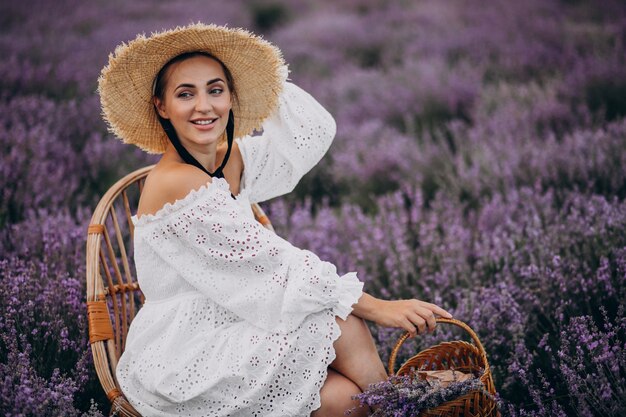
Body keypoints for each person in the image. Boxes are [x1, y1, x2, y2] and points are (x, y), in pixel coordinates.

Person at [98, 23, 452, 417]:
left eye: (216, 90)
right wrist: (377, 306)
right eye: (186, 94)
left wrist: (264, 78)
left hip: (235, 321)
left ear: (231, 97)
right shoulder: (176, 183)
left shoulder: (225, 159)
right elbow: (273, 266)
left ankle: (396, 402)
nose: (204, 106)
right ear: (161, 107)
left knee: (345, 401)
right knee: (340, 318)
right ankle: (404, 405)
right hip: (184, 351)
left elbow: (312, 134)